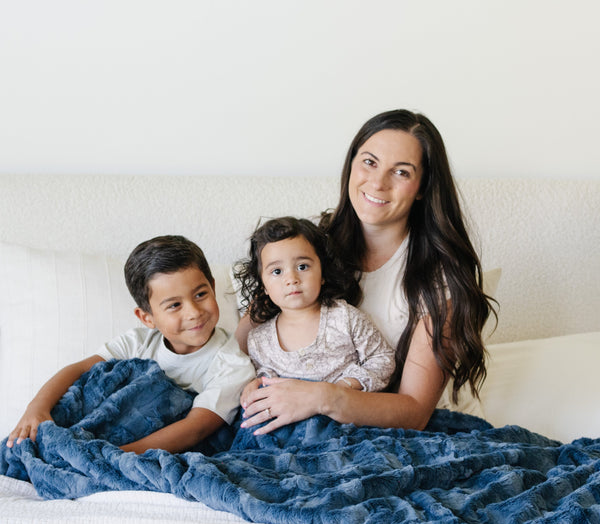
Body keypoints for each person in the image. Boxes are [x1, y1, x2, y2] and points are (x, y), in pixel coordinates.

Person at [236, 109, 496, 435]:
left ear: (421, 187)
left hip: (400, 431)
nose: (377, 183)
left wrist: (323, 397)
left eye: (401, 172)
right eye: (369, 162)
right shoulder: (309, 250)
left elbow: (415, 411)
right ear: (351, 165)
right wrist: (248, 384)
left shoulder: (441, 280)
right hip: (305, 426)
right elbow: (242, 345)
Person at [7, 235, 255, 454]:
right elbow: (79, 370)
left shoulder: (233, 363)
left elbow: (196, 428)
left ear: (212, 287)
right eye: (174, 305)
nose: (193, 312)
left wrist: (118, 454)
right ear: (147, 317)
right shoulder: (137, 342)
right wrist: (37, 409)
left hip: (156, 450)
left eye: (200, 295)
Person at [234, 216, 395, 401]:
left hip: (342, 413)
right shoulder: (259, 340)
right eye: (277, 271)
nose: (291, 278)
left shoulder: (345, 318)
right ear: (264, 286)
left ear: (322, 274)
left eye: (302, 266)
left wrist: (344, 386)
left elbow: (383, 359)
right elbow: (264, 382)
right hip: (291, 423)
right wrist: (256, 387)